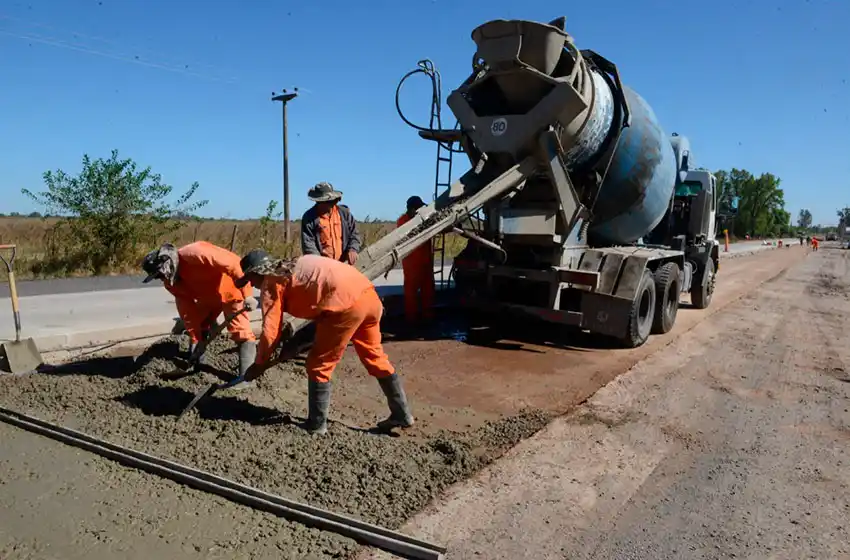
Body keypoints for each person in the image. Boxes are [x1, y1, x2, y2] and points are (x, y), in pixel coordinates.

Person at [238, 250, 414, 435]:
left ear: (256, 273)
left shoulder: (271, 281)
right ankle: (401, 413)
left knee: (318, 365)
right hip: (369, 297)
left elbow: (270, 331)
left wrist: (259, 364)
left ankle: (316, 425)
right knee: (375, 357)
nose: (254, 286)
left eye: (251, 280)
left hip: (344, 306)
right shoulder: (294, 263)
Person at [141, 241, 258, 376]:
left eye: (159, 275)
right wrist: (196, 338)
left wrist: (247, 295)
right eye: (158, 277)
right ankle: (198, 366)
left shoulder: (195, 253)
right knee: (200, 327)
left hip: (232, 288)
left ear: (166, 265)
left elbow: (233, 264)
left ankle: (246, 378)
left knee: (241, 331)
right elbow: (188, 312)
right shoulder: (172, 284)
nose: (162, 280)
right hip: (208, 299)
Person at [300, 182, 361, 265]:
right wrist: (319, 263)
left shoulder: (344, 213)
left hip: (345, 264)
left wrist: (353, 249)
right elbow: (308, 245)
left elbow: (354, 234)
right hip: (323, 267)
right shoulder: (309, 217)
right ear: (318, 201)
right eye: (327, 201)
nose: (331, 203)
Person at [396, 196, 435, 324]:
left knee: (427, 291)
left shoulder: (424, 219)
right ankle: (411, 320)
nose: (420, 211)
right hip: (412, 263)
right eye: (418, 209)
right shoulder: (403, 222)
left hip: (426, 262)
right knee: (411, 293)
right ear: (411, 209)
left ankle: (427, 317)